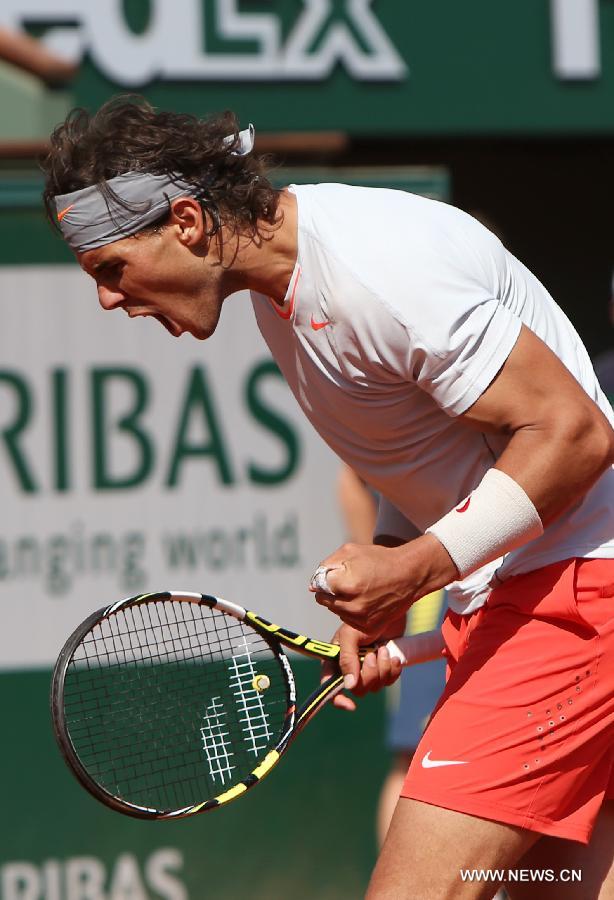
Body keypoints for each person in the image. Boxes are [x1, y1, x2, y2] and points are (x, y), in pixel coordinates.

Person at [41, 98, 614, 899]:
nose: (109, 298)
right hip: (547, 590)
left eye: (111, 269)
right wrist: (385, 569)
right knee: (553, 885)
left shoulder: (376, 270)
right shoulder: (287, 287)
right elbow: (431, 452)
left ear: (185, 222)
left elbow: (574, 434)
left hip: (575, 594)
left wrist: (414, 571)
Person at [336, 464, 448, 847]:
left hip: (523, 580)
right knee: (416, 756)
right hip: (433, 588)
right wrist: (387, 575)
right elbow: (352, 476)